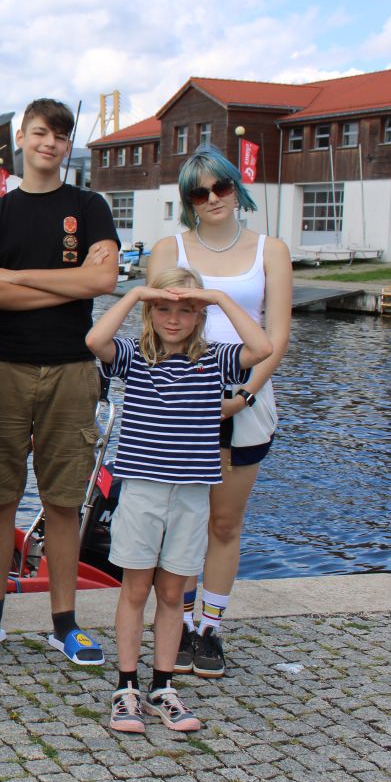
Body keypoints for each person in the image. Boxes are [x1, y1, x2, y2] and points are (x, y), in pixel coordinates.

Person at [0, 98, 120, 665]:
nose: (51, 143)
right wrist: (67, 284)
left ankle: (64, 624)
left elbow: (102, 280)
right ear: (22, 137)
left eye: (61, 136)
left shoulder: (89, 206)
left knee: (64, 501)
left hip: (72, 368)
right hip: (3, 367)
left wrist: (18, 276)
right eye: (42, 133)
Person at [85, 268, 272, 732]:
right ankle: (126, 686)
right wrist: (135, 294)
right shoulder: (134, 355)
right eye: (164, 309)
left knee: (172, 593)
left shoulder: (217, 358)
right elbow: (95, 340)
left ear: (199, 316)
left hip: (191, 494)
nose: (174, 319)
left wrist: (217, 296)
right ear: (151, 312)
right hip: (142, 491)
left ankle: (163, 686)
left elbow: (262, 348)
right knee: (135, 590)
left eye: (185, 310)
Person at [143, 143, 291, 678]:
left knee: (225, 522)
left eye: (220, 187)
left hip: (246, 394)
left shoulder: (270, 250)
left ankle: (210, 628)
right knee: (182, 520)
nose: (212, 199)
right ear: (188, 201)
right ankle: (178, 623)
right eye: (198, 193)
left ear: (236, 187)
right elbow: (154, 327)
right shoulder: (170, 250)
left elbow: (277, 335)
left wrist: (245, 394)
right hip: (183, 395)